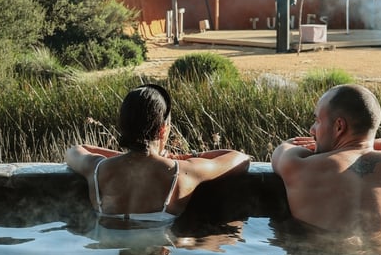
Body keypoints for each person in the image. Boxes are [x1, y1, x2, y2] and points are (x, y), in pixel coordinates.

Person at [65, 84, 250, 222]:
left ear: (122, 126)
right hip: (155, 250)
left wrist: (125, 157)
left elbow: (75, 150)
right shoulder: (183, 172)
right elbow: (241, 159)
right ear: (163, 130)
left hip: (109, 249)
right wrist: (182, 157)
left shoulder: (96, 169)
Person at [271, 83, 381, 233]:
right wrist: (368, 143)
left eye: (317, 121)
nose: (312, 130)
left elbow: (285, 148)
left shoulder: (298, 165)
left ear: (339, 126)